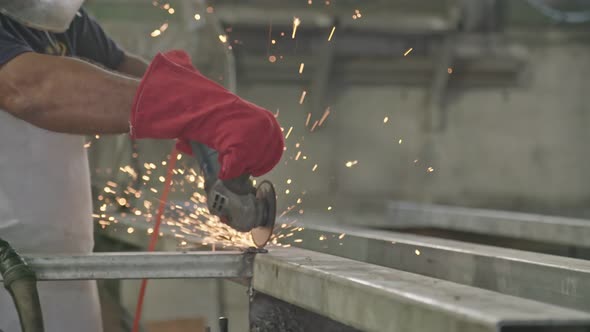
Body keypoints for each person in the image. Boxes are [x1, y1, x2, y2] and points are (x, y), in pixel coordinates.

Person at [0, 1, 284, 331]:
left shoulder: (55, 18)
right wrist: (191, 108)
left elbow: (123, 73)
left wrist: (196, 103)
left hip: (66, 268)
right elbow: (28, 88)